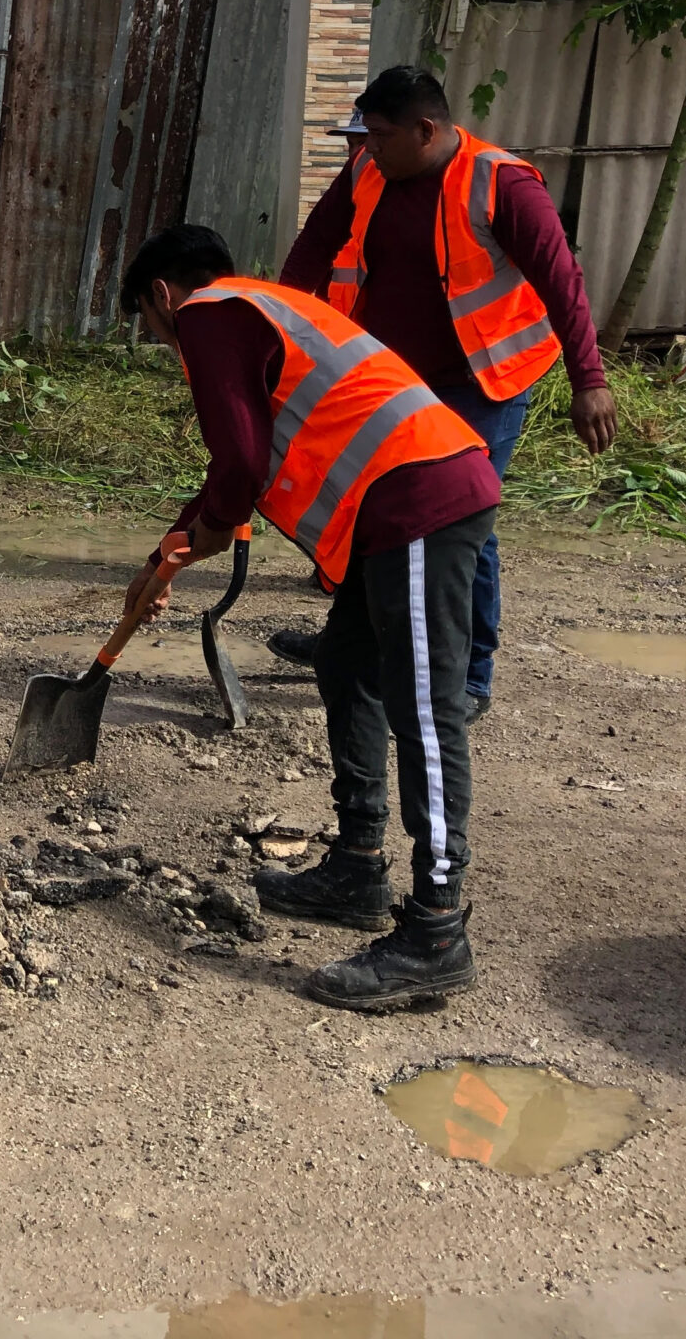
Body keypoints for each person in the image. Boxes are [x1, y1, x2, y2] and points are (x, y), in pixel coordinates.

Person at [119, 224, 502, 1011]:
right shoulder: (263, 304)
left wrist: (210, 529)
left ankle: (436, 931)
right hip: (390, 505)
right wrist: (170, 549)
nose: (166, 344)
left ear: (162, 295)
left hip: (421, 496)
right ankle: (358, 866)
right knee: (344, 665)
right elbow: (232, 465)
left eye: (153, 331)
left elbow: (240, 464)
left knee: (425, 711)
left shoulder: (209, 312)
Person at [273, 64, 616, 719]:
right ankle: (354, 645)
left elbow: (561, 281)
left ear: (425, 130)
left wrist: (589, 381)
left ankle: (469, 677)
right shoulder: (371, 171)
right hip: (391, 381)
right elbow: (314, 248)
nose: (365, 147)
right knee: (368, 511)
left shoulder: (503, 185)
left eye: (378, 135)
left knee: (458, 521)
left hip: (484, 383)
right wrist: (276, 331)